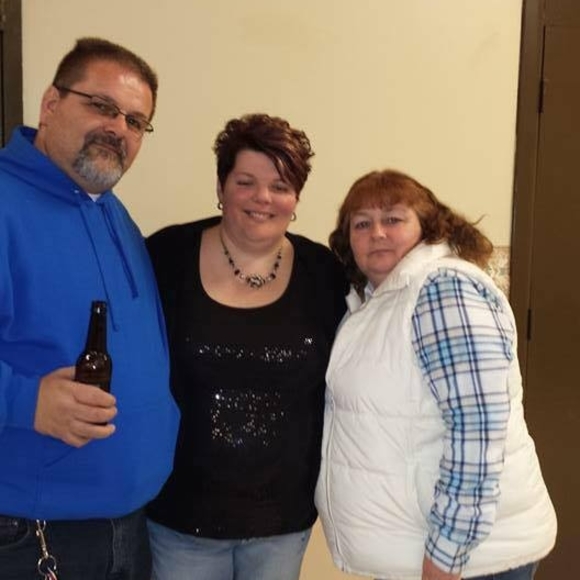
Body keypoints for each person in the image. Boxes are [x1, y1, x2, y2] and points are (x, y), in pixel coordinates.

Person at [315, 169, 557, 580]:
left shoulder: (443, 290)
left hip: (467, 561)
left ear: (428, 227)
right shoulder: (377, 303)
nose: (377, 232)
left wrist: (446, 555)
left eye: (393, 218)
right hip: (420, 551)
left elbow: (476, 431)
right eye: (362, 223)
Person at [0, 38, 179, 579]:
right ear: (50, 104)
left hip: (129, 528)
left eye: (136, 121)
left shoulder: (114, 213)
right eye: (102, 106)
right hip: (34, 535)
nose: (118, 128)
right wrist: (25, 401)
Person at [145, 112, 348, 580]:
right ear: (221, 187)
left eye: (280, 186)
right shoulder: (166, 257)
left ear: (296, 198)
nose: (263, 198)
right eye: (246, 182)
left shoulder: (324, 273)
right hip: (181, 517)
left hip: (283, 521)